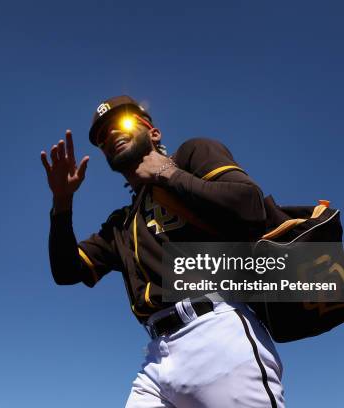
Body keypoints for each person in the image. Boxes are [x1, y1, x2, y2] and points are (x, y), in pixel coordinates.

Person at [40, 95, 285, 408]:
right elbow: (66, 270)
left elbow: (250, 207)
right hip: (157, 357)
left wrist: (167, 174)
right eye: (102, 137)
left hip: (217, 333)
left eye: (123, 123)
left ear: (153, 133)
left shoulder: (191, 155)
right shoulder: (121, 223)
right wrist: (62, 202)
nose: (111, 134)